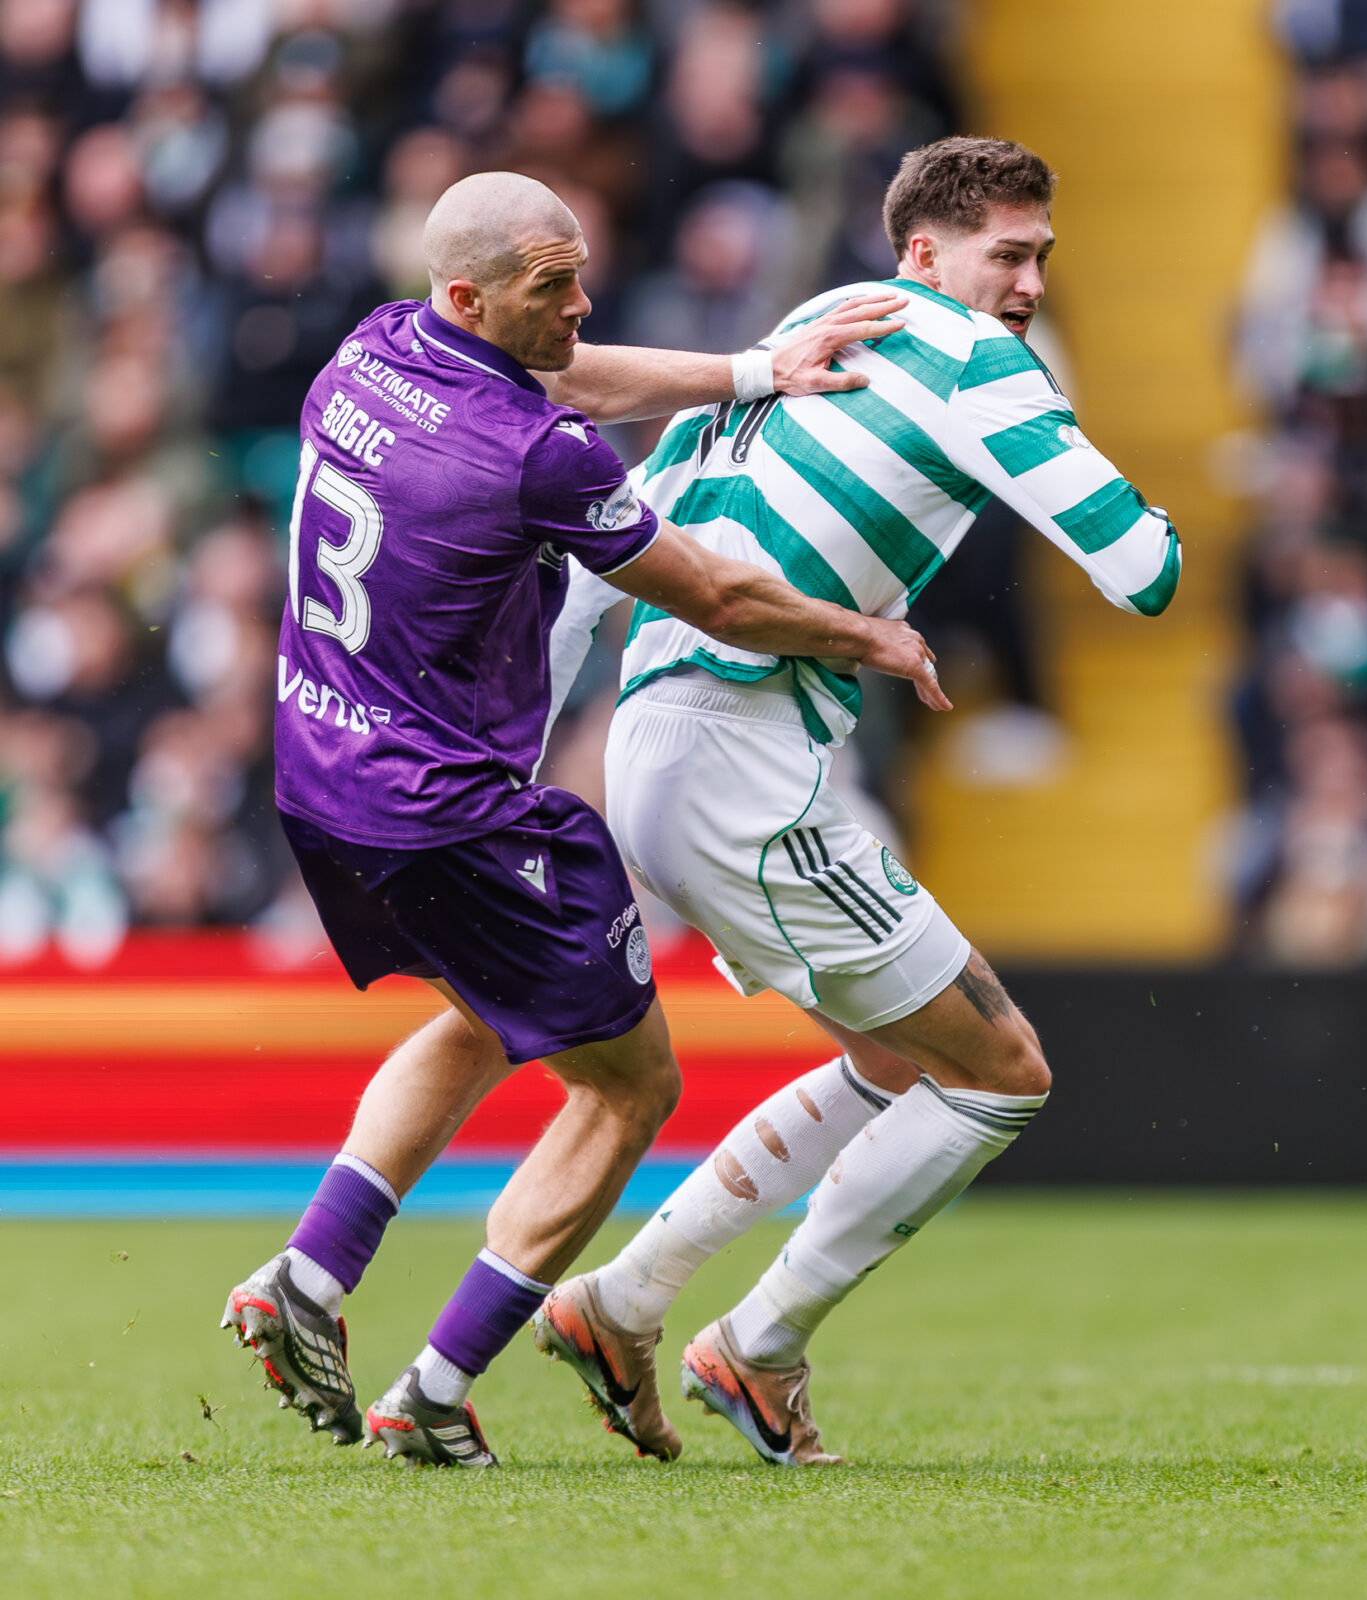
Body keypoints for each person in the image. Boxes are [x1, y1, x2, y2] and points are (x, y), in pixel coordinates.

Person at [218, 171, 947, 1468]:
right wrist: (867, 635)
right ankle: (434, 1390)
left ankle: (311, 1281)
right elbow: (715, 596)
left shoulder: (376, 350)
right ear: (469, 295)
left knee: (476, 1014)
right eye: (553, 287)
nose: (581, 303)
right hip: (449, 812)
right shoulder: (530, 459)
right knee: (631, 1086)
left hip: (319, 769)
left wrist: (752, 371)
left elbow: (563, 376)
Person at [528, 136, 1178, 1466]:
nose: (1031, 284)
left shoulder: (812, 325)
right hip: (738, 759)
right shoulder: (977, 361)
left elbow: (629, 518)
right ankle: (753, 1347)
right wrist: (1120, 480)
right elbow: (1140, 571)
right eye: (1009, 254)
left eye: (1043, 256)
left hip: (670, 731)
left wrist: (532, 735)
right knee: (1002, 1077)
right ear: (925, 256)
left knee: (894, 1059)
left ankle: (627, 1303)